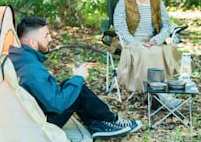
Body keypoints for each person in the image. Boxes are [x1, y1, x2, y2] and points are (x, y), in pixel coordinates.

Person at [8, 16, 142, 139]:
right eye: (46, 35)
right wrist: (79, 77)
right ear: (32, 42)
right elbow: (57, 104)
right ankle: (112, 120)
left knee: (70, 84)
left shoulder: (20, 58)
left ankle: (98, 125)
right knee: (78, 91)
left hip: (31, 116)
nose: (50, 39)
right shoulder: (32, 68)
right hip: (40, 124)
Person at [113, 0, 182, 108]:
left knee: (158, 50)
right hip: (130, 41)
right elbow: (120, 28)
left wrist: (157, 39)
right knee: (146, 52)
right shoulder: (124, 1)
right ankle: (162, 95)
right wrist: (137, 43)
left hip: (152, 40)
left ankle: (157, 94)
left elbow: (166, 25)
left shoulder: (157, 2)